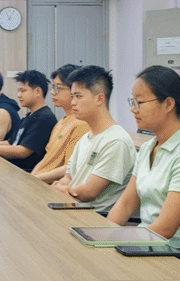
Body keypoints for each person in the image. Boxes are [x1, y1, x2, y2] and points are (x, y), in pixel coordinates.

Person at [107, 66, 180, 250]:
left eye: (140, 102)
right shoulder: (148, 148)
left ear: (168, 104)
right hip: (150, 246)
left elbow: (165, 229)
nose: (133, 109)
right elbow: (125, 205)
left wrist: (112, 238)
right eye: (133, 102)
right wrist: (102, 236)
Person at [50, 66, 134, 213]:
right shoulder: (85, 138)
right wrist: (61, 186)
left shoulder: (116, 141)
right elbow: (68, 177)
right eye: (72, 96)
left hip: (94, 218)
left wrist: (60, 189)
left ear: (100, 99)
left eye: (78, 96)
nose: (73, 102)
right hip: (71, 209)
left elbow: (89, 193)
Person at [0, 70, 57, 172]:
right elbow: (11, 142)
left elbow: (23, 151)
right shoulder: (30, 116)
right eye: (18, 91)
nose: (19, 95)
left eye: (23, 91)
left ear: (38, 92)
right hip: (14, 168)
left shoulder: (43, 118)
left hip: (25, 173)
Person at [31, 64, 91, 183]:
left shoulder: (81, 124)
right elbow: (47, 158)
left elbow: (69, 168)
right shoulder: (60, 123)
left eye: (58, 88)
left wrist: (35, 179)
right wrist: (31, 177)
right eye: (53, 87)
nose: (52, 92)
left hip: (52, 186)